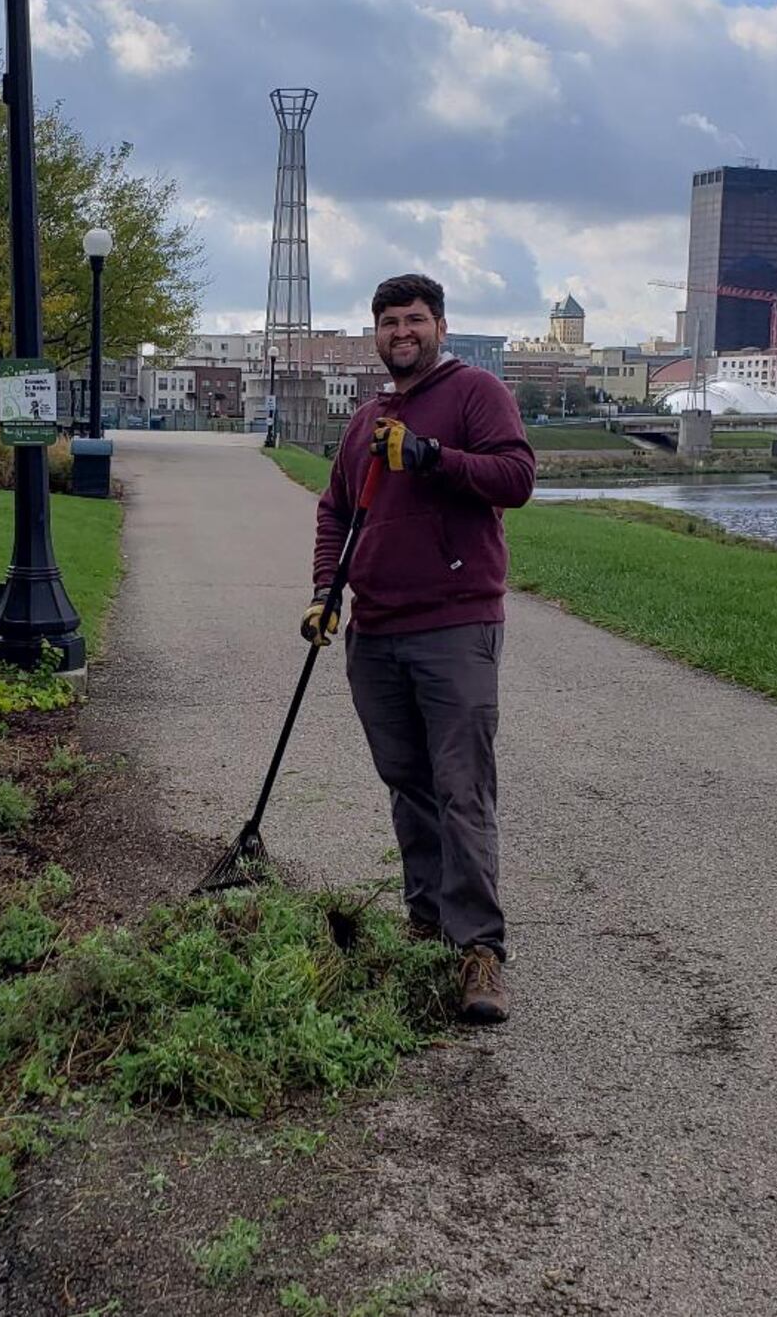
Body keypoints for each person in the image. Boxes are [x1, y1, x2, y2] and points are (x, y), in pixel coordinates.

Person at [301, 274, 534, 1023]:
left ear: (440, 325)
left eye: (415, 320)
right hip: (376, 631)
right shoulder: (367, 417)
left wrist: (430, 454)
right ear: (375, 334)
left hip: (455, 623)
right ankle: (428, 921)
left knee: (461, 788)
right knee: (408, 785)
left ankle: (480, 952)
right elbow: (336, 508)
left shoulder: (475, 394)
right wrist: (324, 593)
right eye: (389, 322)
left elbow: (517, 477)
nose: (402, 332)